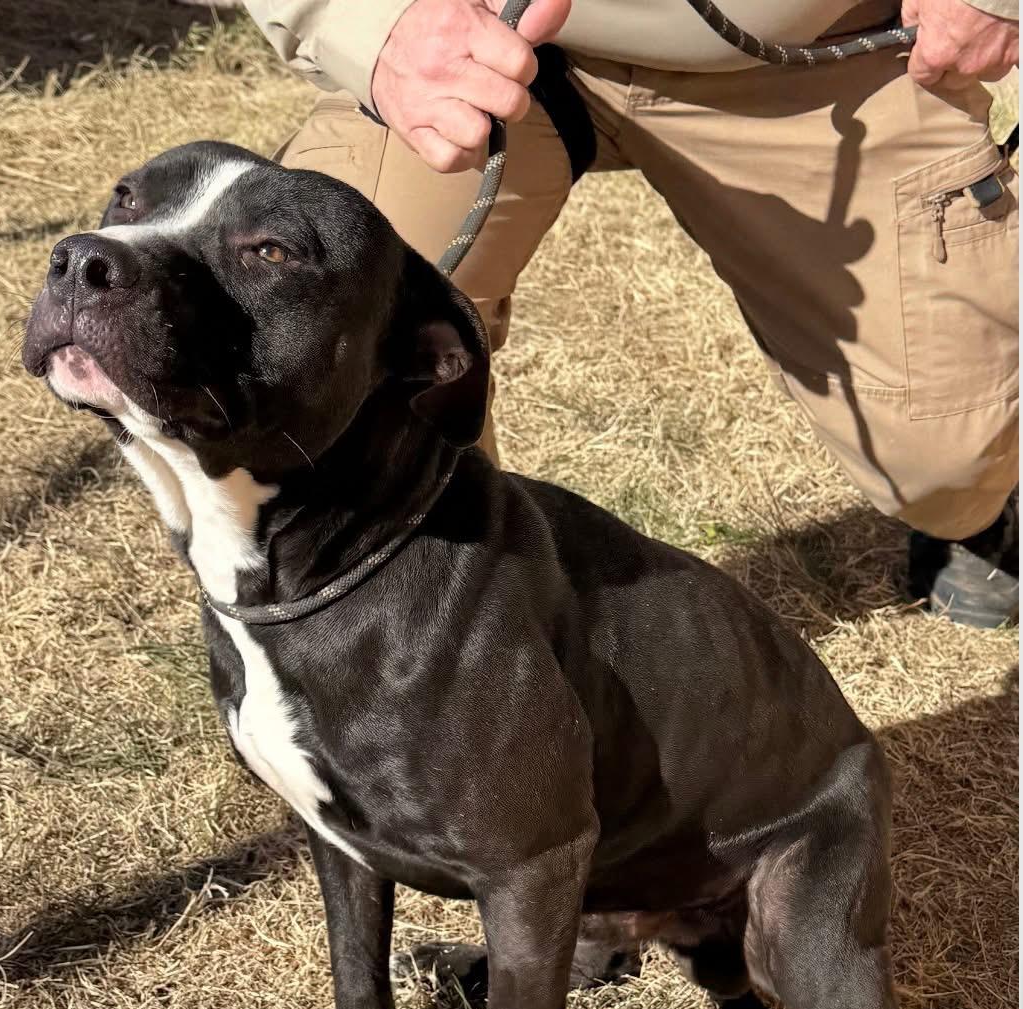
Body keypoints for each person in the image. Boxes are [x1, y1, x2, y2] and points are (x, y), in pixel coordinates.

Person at [245, 0, 1019, 625]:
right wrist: (359, 20)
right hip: (471, 34)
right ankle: (446, 633)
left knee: (950, 457)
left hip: (807, 53)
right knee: (327, 332)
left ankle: (978, 510)